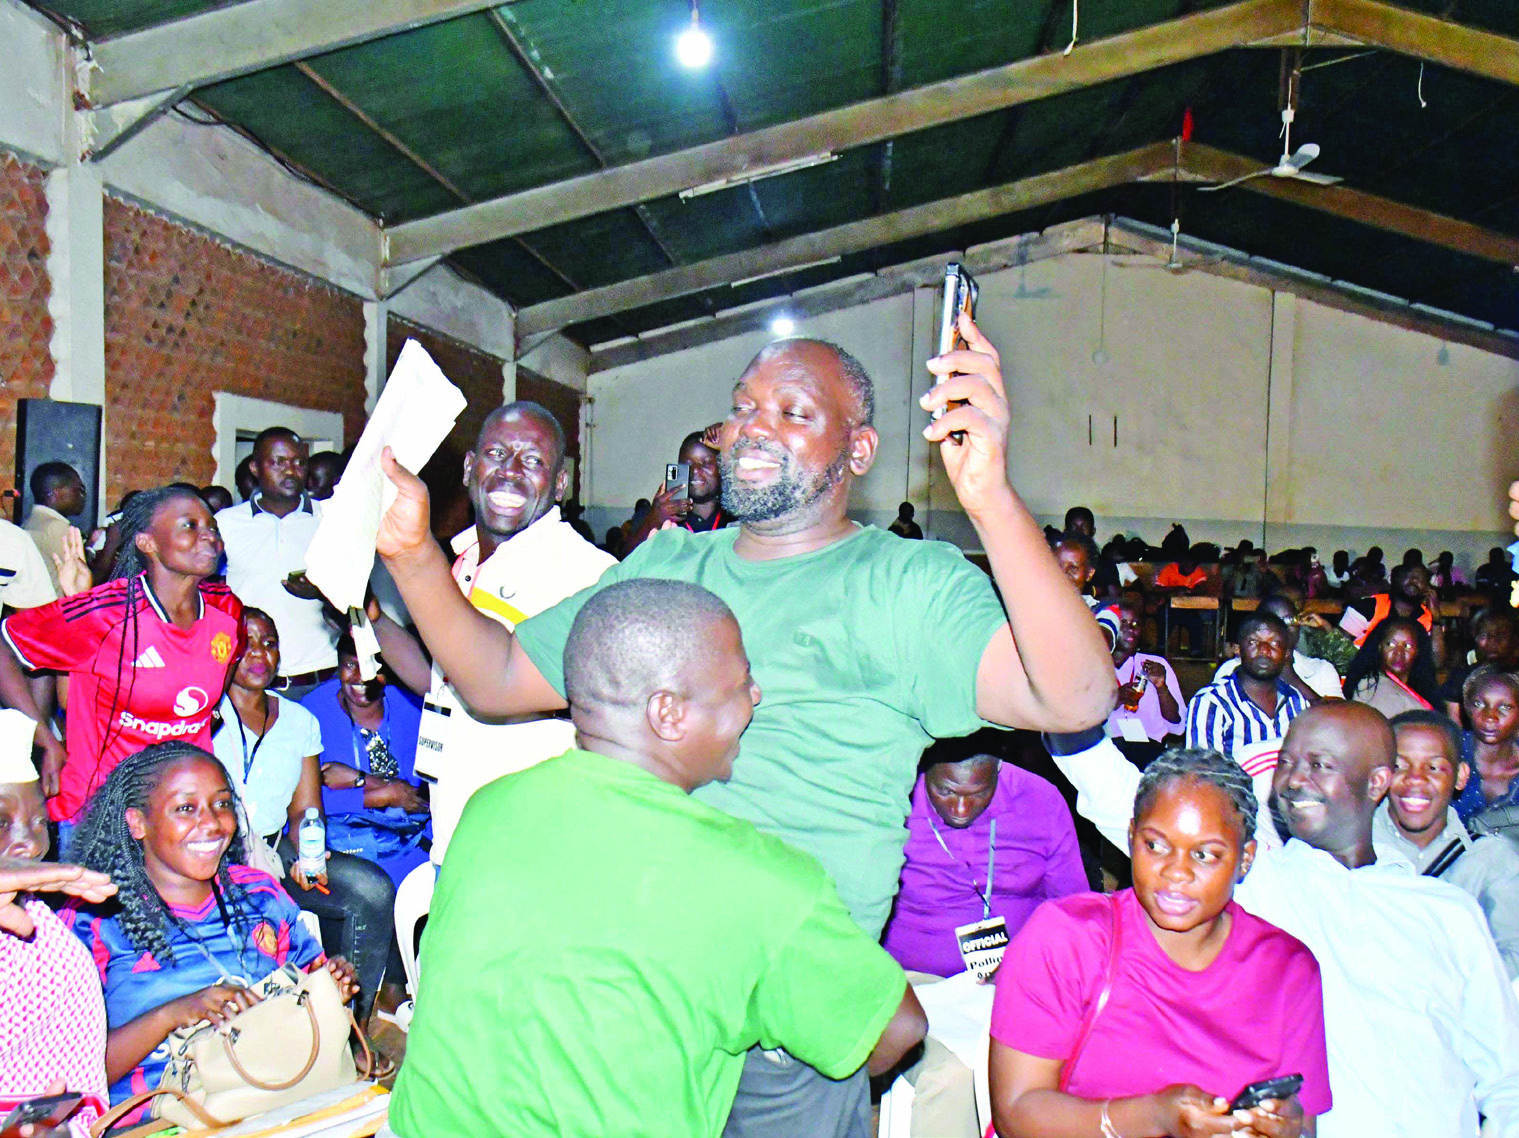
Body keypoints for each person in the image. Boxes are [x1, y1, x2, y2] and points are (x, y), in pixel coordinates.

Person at [376, 316, 1113, 1137]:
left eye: (795, 412)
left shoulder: (905, 585)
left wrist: (989, 497)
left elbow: (1075, 698)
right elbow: (499, 676)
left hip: (788, 1029)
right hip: (632, 1003)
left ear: (858, 452)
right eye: (744, 407)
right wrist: (413, 554)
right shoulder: (670, 566)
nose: (756, 426)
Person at [389, 579, 927, 1138]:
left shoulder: (491, 807)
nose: (757, 696)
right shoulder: (760, 880)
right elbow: (898, 1029)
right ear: (668, 713)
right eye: (743, 682)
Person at [1044, 703, 1519, 1138]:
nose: (1293, 781)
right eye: (1288, 763)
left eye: (1320, 766)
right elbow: (1114, 790)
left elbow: (1507, 1080)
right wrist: (1061, 700)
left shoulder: (1445, 911)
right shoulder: (1254, 879)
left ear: (1376, 782)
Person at [989, 749, 1329, 1138]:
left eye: (1204, 855)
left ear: (1245, 859)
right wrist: (1153, 1116)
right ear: (1132, 836)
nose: (1176, 872)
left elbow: (1305, 1124)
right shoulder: (1068, 939)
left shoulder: (1287, 969)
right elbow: (1015, 1112)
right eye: (1156, 845)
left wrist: (1284, 1128)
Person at [368, 402, 615, 865]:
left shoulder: (588, 575)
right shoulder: (459, 563)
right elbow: (440, 681)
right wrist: (371, 615)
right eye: (497, 454)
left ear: (561, 483)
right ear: (469, 468)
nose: (511, 473)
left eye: (534, 461)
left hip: (530, 851)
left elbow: (504, 682)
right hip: (453, 833)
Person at [60, 743, 358, 1123]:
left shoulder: (257, 893)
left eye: (221, 804)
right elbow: (71, 1079)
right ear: (137, 823)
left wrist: (333, 985)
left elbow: (315, 1001)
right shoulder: (94, 921)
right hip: (161, 1119)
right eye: (186, 808)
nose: (214, 823)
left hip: (280, 1091)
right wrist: (173, 1013)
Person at [0, 486, 242, 829]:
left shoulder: (226, 615)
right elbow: (6, 648)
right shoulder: (107, 612)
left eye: (212, 527)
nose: (208, 537)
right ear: (147, 543)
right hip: (100, 813)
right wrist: (45, 737)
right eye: (189, 526)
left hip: (180, 813)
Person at [210, 610, 396, 1020]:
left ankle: (348, 1027)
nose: (260, 653)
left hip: (276, 850)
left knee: (371, 890)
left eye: (270, 643)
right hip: (214, 858)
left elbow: (306, 808)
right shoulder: (203, 715)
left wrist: (309, 853)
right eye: (248, 642)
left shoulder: (299, 721)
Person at [883, 731, 1086, 976]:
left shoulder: (1041, 800)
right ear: (923, 766)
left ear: (999, 768)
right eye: (945, 792)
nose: (960, 809)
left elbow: (1072, 908)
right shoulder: (892, 804)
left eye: (979, 794)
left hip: (1019, 976)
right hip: (913, 982)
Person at [0, 712, 112, 1138]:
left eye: (39, 822)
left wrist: (59, 1131)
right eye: (1, 822)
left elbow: (80, 1096)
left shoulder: (57, 953)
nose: (29, 842)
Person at [1380, 710, 1519, 978]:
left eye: (1434, 767)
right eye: (1399, 765)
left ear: (1460, 776)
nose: (1416, 778)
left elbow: (1514, 955)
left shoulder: (1492, 859)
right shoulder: (1352, 847)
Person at [216, 427, 335, 700]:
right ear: (255, 467)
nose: (291, 471)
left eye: (299, 462)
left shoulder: (330, 519)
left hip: (321, 680)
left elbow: (358, 598)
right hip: (251, 683)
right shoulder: (226, 523)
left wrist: (322, 593)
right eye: (279, 462)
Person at [304, 632, 430, 888]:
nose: (361, 676)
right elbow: (304, 806)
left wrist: (358, 779)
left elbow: (423, 798)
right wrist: (381, 795)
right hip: (350, 854)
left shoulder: (413, 706)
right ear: (337, 666)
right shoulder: (311, 713)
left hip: (415, 847)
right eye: (351, 664)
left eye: (371, 665)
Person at [1184, 613, 1308, 812]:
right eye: (1253, 642)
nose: (1264, 650)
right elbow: (1202, 776)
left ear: (1287, 654)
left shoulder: (1296, 701)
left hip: (1288, 813)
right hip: (1235, 813)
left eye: (1274, 643)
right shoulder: (1213, 702)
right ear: (1238, 650)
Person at [1214, 593, 1343, 702]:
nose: (1283, 628)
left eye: (1290, 620)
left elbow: (1338, 723)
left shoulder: (1321, 670)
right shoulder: (1230, 669)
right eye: (1273, 621)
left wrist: (1291, 678)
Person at [625, 429, 731, 554]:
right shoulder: (654, 515)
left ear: (722, 467)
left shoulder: (736, 515)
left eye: (706, 463)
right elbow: (626, 559)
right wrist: (654, 519)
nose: (695, 470)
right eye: (688, 464)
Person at [1106, 599, 1183, 743]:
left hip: (1149, 748)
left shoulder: (1156, 664)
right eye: (1123, 623)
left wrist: (1162, 688)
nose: (1131, 628)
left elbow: (1177, 725)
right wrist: (1112, 702)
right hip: (1107, 749)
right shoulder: (1092, 667)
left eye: (1136, 624)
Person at [1454, 666, 1519, 822]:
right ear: (1467, 708)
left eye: (1505, 707)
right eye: (1479, 704)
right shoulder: (1446, 754)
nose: (1490, 716)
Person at [1343, 616, 1439, 717]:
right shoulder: (1371, 687)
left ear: (1418, 651)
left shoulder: (1421, 686)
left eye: (1407, 646)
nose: (1399, 653)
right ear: (1379, 647)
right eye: (1391, 644)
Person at [1438, 608, 1516, 724]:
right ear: (1475, 637)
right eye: (1484, 635)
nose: (1492, 641)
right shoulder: (1461, 677)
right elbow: (1454, 723)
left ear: (1513, 639)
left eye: (1501, 635)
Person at [1337, 562, 1437, 649]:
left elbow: (1436, 662)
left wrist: (1437, 620)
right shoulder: (1367, 607)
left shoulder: (1427, 617)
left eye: (1420, 579)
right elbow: (1338, 647)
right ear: (1393, 580)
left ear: (1427, 588)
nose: (1414, 581)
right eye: (1408, 576)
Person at [23, 461, 86, 595]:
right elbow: (82, 584)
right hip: (60, 612)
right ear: (58, 492)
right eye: (79, 490)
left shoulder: (31, 522)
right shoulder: (57, 527)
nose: (83, 496)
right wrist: (110, 544)